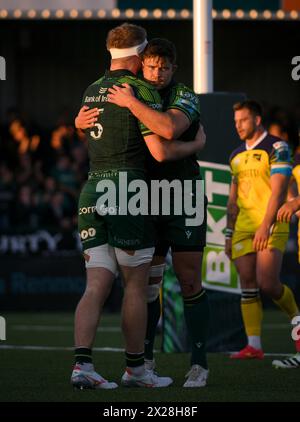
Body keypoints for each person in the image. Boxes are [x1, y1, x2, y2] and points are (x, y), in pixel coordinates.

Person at [72, 25, 206, 390]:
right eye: (149, 61)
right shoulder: (141, 91)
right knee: (137, 285)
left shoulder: (92, 88)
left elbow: (88, 121)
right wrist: (198, 145)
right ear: (138, 58)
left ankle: (82, 364)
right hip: (130, 191)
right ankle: (137, 369)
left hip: (93, 191)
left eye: (163, 65)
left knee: (97, 284)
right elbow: (162, 145)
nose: (154, 69)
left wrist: (76, 122)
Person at [225, 100, 300, 360]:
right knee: (247, 283)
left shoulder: (278, 147)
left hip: (270, 225)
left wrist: (265, 225)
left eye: (243, 120)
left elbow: (279, 191)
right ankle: (253, 345)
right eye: (235, 122)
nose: (238, 126)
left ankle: (297, 319)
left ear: (257, 120)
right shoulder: (235, 154)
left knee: (268, 283)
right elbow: (232, 199)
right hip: (242, 228)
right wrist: (227, 232)